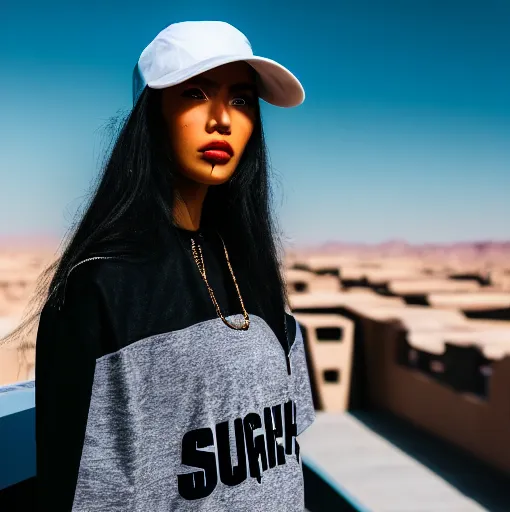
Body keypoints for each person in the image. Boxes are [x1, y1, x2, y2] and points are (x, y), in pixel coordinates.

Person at [32, 20, 315, 511]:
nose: (222, 119)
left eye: (242, 100)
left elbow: (284, 449)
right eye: (194, 93)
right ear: (154, 114)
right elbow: (80, 491)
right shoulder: (102, 286)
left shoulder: (255, 270)